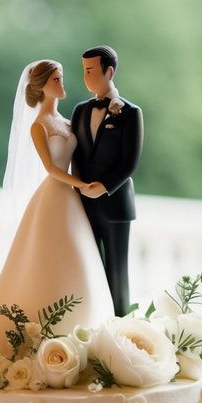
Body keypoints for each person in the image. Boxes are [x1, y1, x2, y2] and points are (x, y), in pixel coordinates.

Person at [0, 60, 114, 345]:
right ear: (41, 87)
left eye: (60, 78)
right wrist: (80, 184)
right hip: (54, 193)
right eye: (56, 79)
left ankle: (84, 323)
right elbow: (51, 168)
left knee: (77, 254)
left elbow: (78, 158)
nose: (62, 84)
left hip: (72, 198)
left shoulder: (67, 121)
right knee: (49, 256)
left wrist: (84, 182)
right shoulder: (38, 126)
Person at [71, 45, 143, 316]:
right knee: (88, 266)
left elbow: (130, 161)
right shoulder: (79, 110)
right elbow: (76, 154)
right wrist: (78, 186)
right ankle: (92, 321)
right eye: (84, 71)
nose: (86, 77)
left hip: (115, 205)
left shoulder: (130, 113)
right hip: (83, 203)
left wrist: (103, 187)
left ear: (108, 71)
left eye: (90, 71)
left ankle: (120, 324)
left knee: (116, 269)